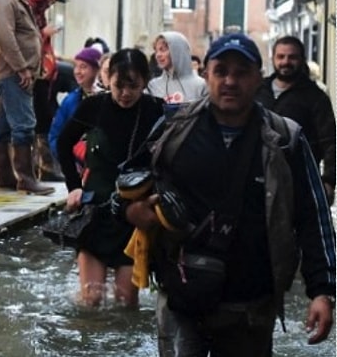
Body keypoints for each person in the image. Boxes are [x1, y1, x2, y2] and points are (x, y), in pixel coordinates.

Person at [123, 33, 336, 356]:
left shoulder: (285, 139)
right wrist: (135, 213)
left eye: (241, 72)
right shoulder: (172, 128)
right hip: (182, 296)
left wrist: (322, 291)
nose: (230, 81)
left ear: (257, 78)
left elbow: (313, 215)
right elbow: (124, 187)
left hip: (250, 303)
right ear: (207, 73)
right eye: (221, 71)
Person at [55, 48, 164, 307]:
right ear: (107, 80)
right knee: (92, 298)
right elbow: (63, 142)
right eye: (118, 86)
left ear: (145, 82)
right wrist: (73, 186)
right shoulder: (94, 106)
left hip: (133, 213)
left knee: (126, 302)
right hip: (96, 209)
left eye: (133, 86)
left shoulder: (155, 110)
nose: (125, 93)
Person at [0, 0, 53, 195]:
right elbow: (5, 37)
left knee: (5, 126)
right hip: (14, 74)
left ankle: (5, 176)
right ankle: (26, 178)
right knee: (24, 125)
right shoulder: (5, 0)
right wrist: (22, 68)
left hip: (16, 73)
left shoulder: (17, 2)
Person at [254, 35, 336, 205]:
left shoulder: (315, 97)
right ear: (273, 58)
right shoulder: (258, 91)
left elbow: (330, 141)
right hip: (256, 178)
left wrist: (329, 181)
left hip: (299, 181)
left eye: (292, 57)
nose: (286, 62)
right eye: (281, 57)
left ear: (301, 59)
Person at [28, 0, 66, 181]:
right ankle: (42, 168)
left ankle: (40, 168)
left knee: (42, 119)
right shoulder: (32, 11)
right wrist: (44, 33)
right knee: (40, 120)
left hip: (42, 75)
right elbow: (27, 38)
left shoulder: (39, 12)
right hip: (35, 75)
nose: (52, 0)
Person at [48, 46, 101, 164]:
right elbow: (55, 135)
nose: (77, 71)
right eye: (76, 66)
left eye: (83, 67)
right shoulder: (70, 100)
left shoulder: (106, 98)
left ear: (97, 70)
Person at [147, 31, 207, 105]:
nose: (158, 55)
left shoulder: (201, 85)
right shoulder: (153, 86)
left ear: (177, 51)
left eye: (162, 50)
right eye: (156, 51)